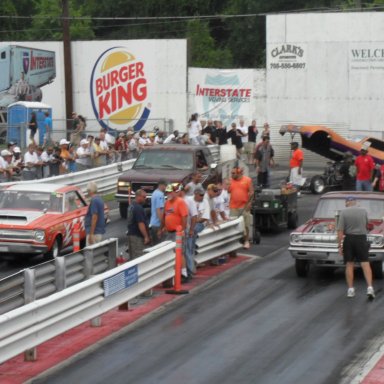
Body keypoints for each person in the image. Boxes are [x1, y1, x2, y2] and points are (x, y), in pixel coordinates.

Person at [337, 196, 375, 299]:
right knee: (365, 263)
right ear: (355, 202)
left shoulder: (343, 212)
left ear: (347, 203)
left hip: (349, 239)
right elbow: (367, 225)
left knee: (349, 264)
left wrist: (339, 245)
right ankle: (370, 288)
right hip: (361, 239)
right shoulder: (363, 211)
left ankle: (350, 290)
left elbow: (340, 230)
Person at [162, 183, 189, 282]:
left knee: (180, 253)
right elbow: (165, 216)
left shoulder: (180, 202)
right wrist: (164, 226)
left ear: (175, 192)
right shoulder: (167, 203)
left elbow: (184, 216)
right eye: (167, 192)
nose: (169, 194)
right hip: (169, 232)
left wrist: (182, 229)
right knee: (171, 253)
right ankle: (174, 273)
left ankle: (184, 274)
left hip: (177, 232)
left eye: (170, 192)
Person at [185, 187, 211, 278]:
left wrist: (193, 221)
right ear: (195, 194)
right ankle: (191, 264)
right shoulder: (188, 200)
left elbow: (205, 217)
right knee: (189, 245)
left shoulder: (205, 201)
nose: (202, 197)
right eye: (200, 195)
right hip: (190, 225)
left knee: (190, 241)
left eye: (203, 195)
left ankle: (191, 268)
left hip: (199, 224)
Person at [229, 167, 254, 249]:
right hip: (233, 207)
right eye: (231, 173)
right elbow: (228, 191)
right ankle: (235, 242)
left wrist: (250, 202)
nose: (232, 175)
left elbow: (251, 192)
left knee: (246, 224)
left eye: (233, 173)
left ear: (239, 173)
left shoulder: (247, 180)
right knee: (234, 226)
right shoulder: (230, 181)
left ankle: (246, 241)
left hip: (244, 206)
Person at [127, 189, 150, 259]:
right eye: (144, 197)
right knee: (139, 257)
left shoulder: (131, 205)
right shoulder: (138, 208)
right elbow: (141, 224)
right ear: (138, 196)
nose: (145, 199)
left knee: (133, 256)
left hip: (131, 234)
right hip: (137, 236)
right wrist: (146, 236)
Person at [84, 181, 105, 246]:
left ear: (90, 191)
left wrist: (91, 234)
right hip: (98, 231)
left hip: (95, 233)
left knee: (90, 254)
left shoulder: (94, 200)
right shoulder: (99, 199)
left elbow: (94, 217)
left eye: (88, 191)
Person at [149, 179, 167, 245]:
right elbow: (159, 211)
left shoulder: (155, 193)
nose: (166, 188)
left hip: (153, 223)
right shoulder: (160, 195)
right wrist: (162, 225)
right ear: (161, 185)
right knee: (160, 246)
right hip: (158, 224)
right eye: (165, 186)